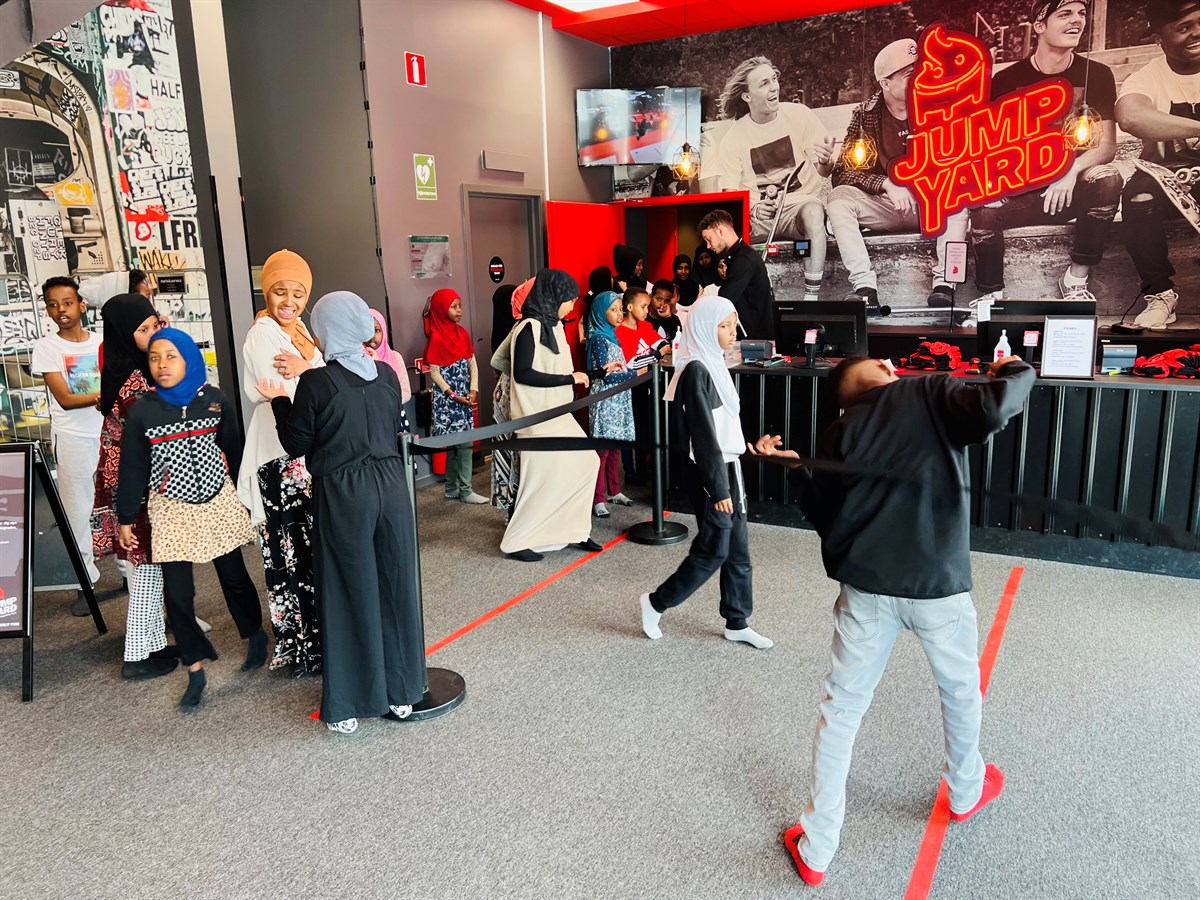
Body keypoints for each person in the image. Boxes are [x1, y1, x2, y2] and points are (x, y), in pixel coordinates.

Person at [748, 353, 1035, 887]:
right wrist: (1016, 369)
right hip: (937, 586)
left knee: (842, 709)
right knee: (960, 690)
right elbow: (997, 409)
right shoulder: (927, 390)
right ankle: (966, 792)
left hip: (865, 591)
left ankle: (817, 847)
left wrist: (796, 467)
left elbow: (824, 514)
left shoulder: (841, 431)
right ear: (885, 368)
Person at [258, 291, 426, 734]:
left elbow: (296, 443)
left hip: (344, 490)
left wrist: (278, 400)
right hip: (392, 485)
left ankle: (350, 701)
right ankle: (402, 691)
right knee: (394, 584)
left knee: (347, 587)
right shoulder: (386, 373)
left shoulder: (318, 382)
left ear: (326, 331)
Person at [117, 328, 266, 710]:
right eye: (155, 358)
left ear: (188, 359)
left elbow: (235, 450)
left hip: (217, 500)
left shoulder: (215, 400)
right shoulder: (144, 411)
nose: (162, 365)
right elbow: (132, 466)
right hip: (170, 508)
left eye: (171, 356)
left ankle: (255, 634)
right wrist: (126, 517)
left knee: (234, 578)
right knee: (178, 595)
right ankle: (195, 669)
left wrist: (246, 497)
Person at [638, 296, 772, 650]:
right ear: (703, 328)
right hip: (712, 473)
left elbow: (724, 424)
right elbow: (703, 437)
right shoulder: (696, 370)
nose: (731, 332)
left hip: (729, 467)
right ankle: (656, 603)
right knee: (714, 549)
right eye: (723, 326)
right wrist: (719, 489)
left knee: (738, 549)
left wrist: (745, 449)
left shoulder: (714, 363)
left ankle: (737, 621)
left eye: (732, 325)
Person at [971, 0, 1121, 304]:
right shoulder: (1005, 81)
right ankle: (991, 296)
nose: (1077, 20)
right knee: (982, 203)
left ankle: (1075, 280)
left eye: (1081, 14)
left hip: (1070, 191)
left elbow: (1106, 146)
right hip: (1023, 194)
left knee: (1108, 178)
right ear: (1040, 25)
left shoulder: (1098, 74)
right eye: (1065, 14)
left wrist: (1069, 172)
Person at [827, 39, 971, 312]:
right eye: (910, 74)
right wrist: (885, 184)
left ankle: (945, 285)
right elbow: (843, 172)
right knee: (839, 199)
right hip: (890, 207)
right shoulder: (866, 115)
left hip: (933, 207)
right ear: (885, 83)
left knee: (958, 196)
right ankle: (865, 289)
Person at [238, 249, 323, 674]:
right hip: (278, 453)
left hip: (304, 451)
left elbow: (315, 382)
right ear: (266, 292)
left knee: (309, 546)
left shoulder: (300, 330)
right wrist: (311, 372)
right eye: (279, 291)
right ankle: (300, 642)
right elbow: (283, 390)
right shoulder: (262, 334)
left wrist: (306, 368)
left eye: (298, 293)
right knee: (288, 548)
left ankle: (319, 634)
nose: (289, 301)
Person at [92, 293, 177, 679]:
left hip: (133, 478)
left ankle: (154, 643)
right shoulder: (133, 379)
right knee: (145, 568)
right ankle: (137, 655)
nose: (152, 334)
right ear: (124, 334)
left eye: (154, 325)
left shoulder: (127, 365)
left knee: (151, 564)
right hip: (135, 483)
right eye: (142, 330)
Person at [500, 270, 603, 562]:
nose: (571, 307)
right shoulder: (528, 328)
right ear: (553, 297)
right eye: (568, 300)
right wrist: (569, 379)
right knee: (540, 481)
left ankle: (574, 530)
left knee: (586, 463)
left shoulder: (554, 326)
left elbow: (561, 371)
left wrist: (594, 373)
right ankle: (516, 540)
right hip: (536, 417)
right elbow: (523, 374)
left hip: (557, 414)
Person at [715, 55, 835, 298]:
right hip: (758, 217)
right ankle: (740, 299)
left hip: (797, 210)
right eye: (764, 84)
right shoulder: (733, 138)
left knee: (813, 213)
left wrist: (826, 161)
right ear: (747, 96)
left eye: (774, 79)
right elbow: (730, 197)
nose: (774, 87)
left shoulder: (799, 115)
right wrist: (754, 209)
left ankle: (810, 298)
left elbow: (824, 171)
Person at [1116, 0, 1200, 329]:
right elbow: (1129, 116)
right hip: (1168, 177)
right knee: (1139, 196)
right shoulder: (1148, 76)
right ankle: (1161, 294)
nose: (1197, 33)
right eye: (1184, 28)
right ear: (1158, 39)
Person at [30, 277, 105, 616]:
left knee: (117, 505)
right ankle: (85, 583)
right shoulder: (47, 347)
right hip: (73, 437)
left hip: (109, 434)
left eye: (68, 302)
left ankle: (127, 571)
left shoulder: (101, 342)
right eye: (53, 304)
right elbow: (65, 398)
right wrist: (106, 395)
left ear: (82, 305)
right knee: (77, 512)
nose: (61, 309)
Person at [426, 288, 487, 504]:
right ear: (441, 309)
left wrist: (473, 390)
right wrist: (452, 395)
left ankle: (455, 488)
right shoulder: (436, 337)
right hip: (448, 400)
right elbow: (434, 373)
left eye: (460, 305)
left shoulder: (462, 333)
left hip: (464, 397)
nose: (459, 310)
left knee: (462, 443)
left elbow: (472, 364)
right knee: (457, 445)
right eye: (453, 306)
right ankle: (462, 489)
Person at [585, 291, 636, 518]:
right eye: (613, 309)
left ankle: (614, 490)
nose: (619, 314)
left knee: (615, 446)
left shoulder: (612, 336)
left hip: (618, 398)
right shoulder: (598, 338)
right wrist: (634, 374)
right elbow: (607, 376)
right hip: (605, 398)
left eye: (620, 309)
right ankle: (598, 498)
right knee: (602, 450)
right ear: (600, 312)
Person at [491, 278, 534, 514]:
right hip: (511, 396)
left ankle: (514, 508)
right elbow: (498, 361)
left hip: (506, 394)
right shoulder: (519, 329)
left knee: (512, 453)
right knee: (513, 454)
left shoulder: (510, 327)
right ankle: (514, 509)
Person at [698, 208, 775, 339]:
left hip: (755, 339)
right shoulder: (738, 256)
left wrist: (700, 307)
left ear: (720, 231)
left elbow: (724, 300)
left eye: (708, 239)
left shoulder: (743, 259)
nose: (708, 246)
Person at [365, 308, 412, 433]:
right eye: (366, 330)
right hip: (370, 420)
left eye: (376, 330)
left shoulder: (395, 357)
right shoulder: (358, 360)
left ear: (384, 330)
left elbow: (406, 392)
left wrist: (384, 402)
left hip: (395, 417)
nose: (371, 336)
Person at [648, 279, 683, 343]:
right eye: (659, 299)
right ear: (651, 297)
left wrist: (668, 318)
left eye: (667, 301)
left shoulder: (674, 320)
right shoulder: (643, 320)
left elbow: (678, 343)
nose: (662, 304)